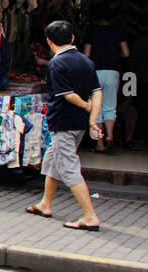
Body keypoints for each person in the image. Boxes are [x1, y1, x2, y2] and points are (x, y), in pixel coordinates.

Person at [25, 20, 103, 231]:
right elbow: (97, 92)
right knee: (53, 160)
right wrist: (93, 118)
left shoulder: (56, 64)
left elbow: (67, 95)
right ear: (73, 38)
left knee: (69, 169)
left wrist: (86, 106)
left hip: (63, 123)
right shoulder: (86, 61)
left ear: (49, 41)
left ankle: (89, 216)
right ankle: (45, 203)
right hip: (78, 125)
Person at [82, 13, 129, 152]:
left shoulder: (92, 31)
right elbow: (126, 53)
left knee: (97, 107)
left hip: (95, 71)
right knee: (110, 106)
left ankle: (100, 143)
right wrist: (115, 56)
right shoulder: (118, 31)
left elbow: (86, 55)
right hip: (112, 71)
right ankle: (109, 135)